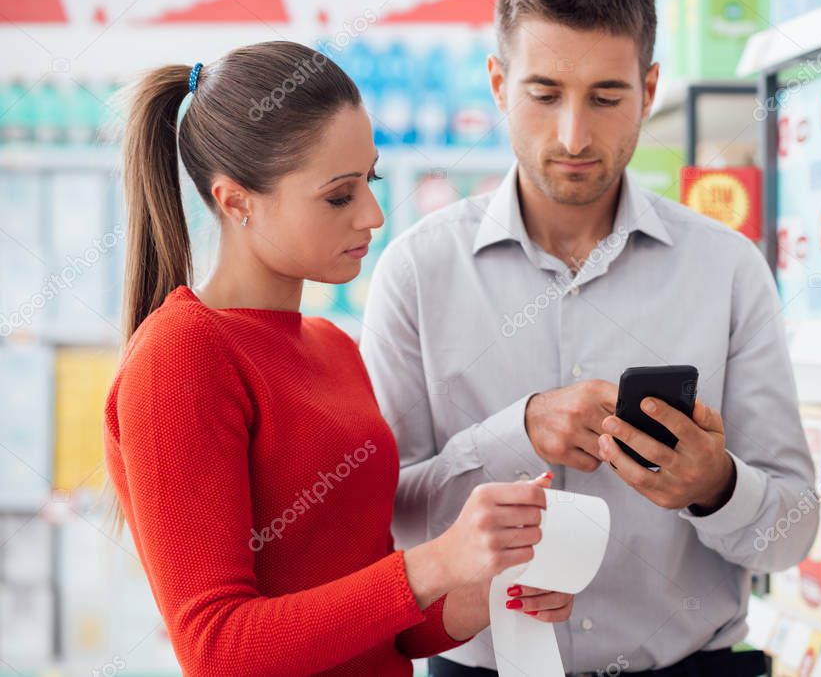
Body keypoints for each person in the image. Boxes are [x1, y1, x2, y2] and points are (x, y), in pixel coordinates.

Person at [360, 0, 817, 675]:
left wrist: (715, 485)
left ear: (648, 90)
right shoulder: (416, 271)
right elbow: (381, 521)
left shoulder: (727, 269)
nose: (572, 136)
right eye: (543, 95)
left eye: (605, 98)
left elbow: (792, 531)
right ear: (497, 84)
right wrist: (515, 433)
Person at [103, 41, 573, 677]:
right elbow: (218, 650)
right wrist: (438, 561)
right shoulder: (180, 358)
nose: (374, 215)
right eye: (338, 196)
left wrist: (490, 588)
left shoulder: (333, 347)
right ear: (237, 201)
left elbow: (385, 631)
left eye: (371, 180)